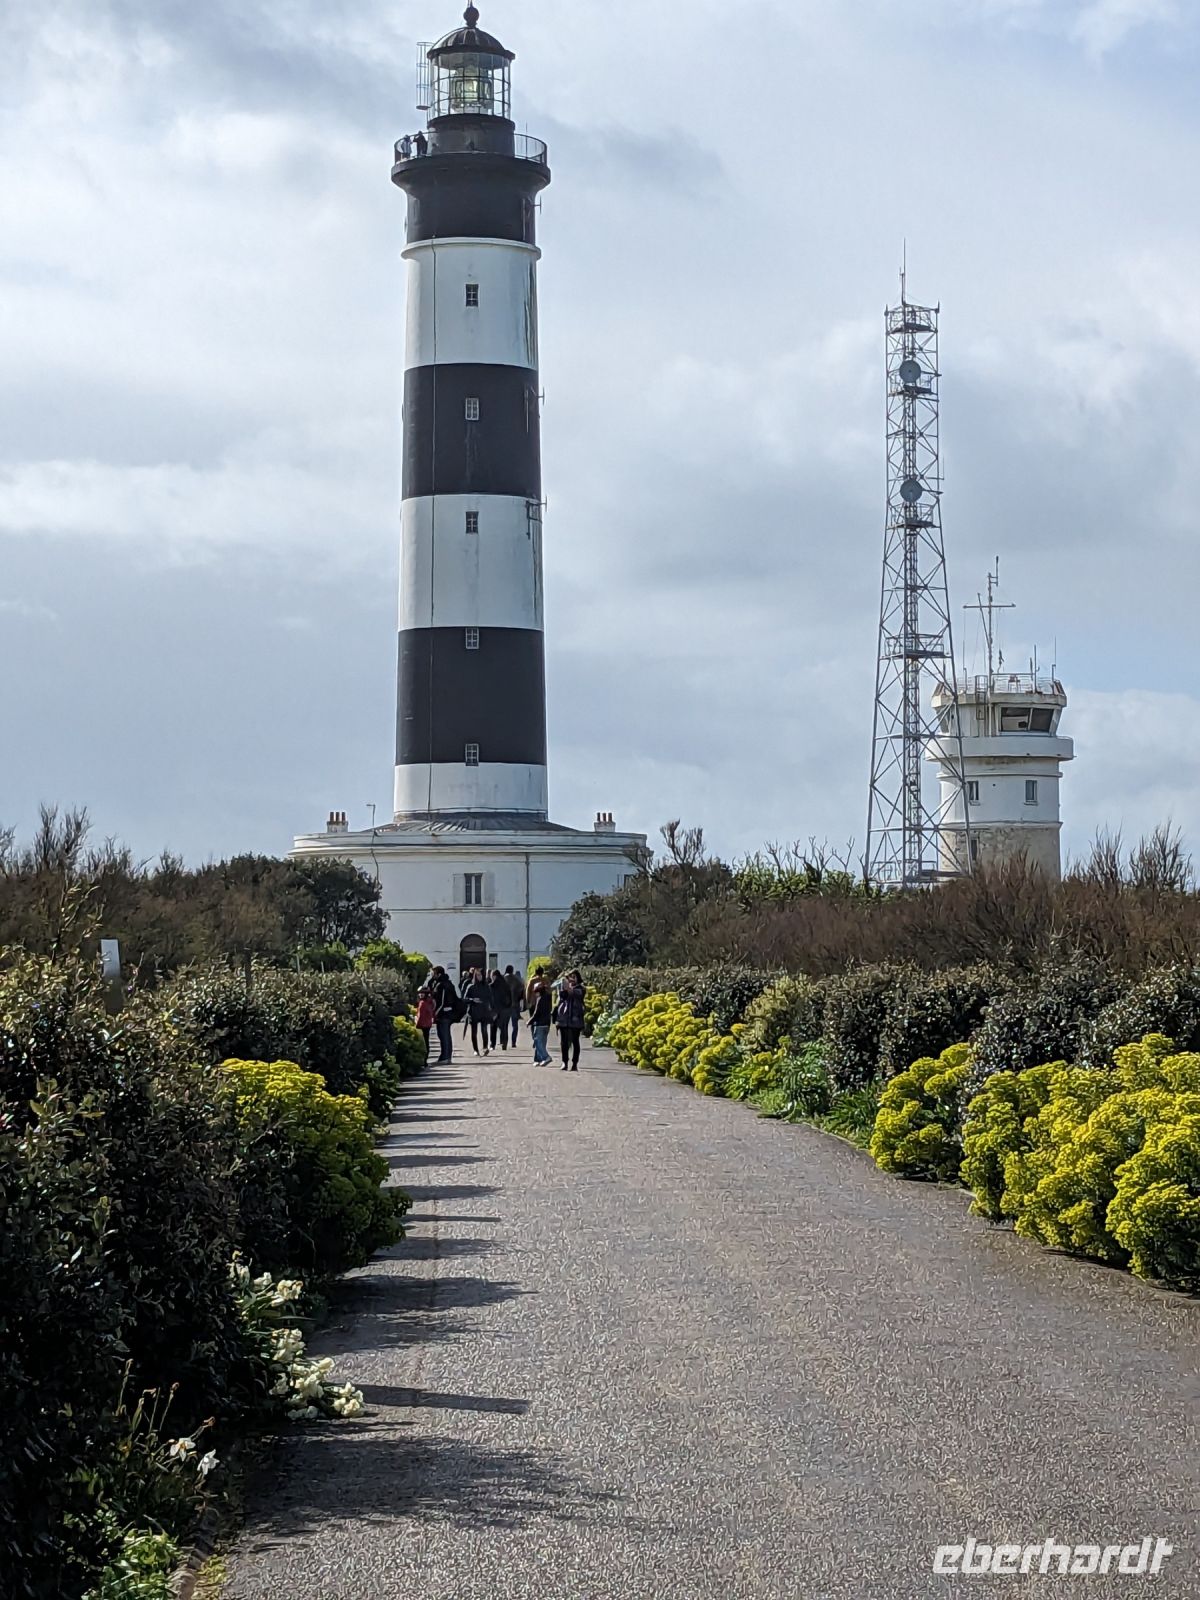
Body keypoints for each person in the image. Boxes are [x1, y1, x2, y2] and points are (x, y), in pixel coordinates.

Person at [556, 970, 586, 1071]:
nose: (572, 979)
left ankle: (574, 1063)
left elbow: (574, 993)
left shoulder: (581, 989)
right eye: (570, 977)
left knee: (575, 1042)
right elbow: (561, 997)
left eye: (574, 977)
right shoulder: (565, 988)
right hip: (564, 1018)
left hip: (575, 1019)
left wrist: (568, 987)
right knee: (564, 1042)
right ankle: (564, 1062)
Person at [428, 966, 457, 1063]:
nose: (432, 975)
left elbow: (442, 1001)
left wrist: (436, 1012)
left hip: (444, 1013)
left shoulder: (443, 985)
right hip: (445, 1013)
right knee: (443, 1034)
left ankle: (446, 1057)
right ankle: (444, 1056)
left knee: (444, 1035)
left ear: (438, 974)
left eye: (433, 973)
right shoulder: (443, 983)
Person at [462, 967, 493, 1056]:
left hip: (484, 1011)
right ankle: (475, 1049)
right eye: (478, 975)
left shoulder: (486, 986)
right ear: (475, 976)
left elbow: (490, 998)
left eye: (481, 975)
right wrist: (472, 1000)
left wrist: (492, 1009)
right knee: (474, 1031)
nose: (480, 977)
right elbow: (465, 999)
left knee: (484, 1030)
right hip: (474, 1011)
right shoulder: (471, 987)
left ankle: (485, 1047)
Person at [529, 976, 553, 1065]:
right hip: (547, 1023)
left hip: (540, 1023)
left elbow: (536, 1013)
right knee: (542, 1042)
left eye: (536, 992)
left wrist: (529, 1021)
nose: (535, 994)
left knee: (537, 1041)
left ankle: (546, 1057)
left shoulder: (540, 1000)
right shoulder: (548, 998)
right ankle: (538, 1059)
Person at [488, 968, 512, 1052]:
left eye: (491, 976)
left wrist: (490, 1009)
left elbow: (490, 998)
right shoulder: (506, 985)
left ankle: (492, 1044)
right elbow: (510, 997)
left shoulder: (491, 986)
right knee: (504, 1027)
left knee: (493, 1027)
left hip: (495, 1009)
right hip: (505, 1009)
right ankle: (504, 1043)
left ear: (494, 976)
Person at [504, 964, 525, 1047]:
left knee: (505, 1025)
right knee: (514, 1025)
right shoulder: (517, 980)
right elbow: (521, 990)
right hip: (514, 1005)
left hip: (505, 1005)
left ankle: (504, 1042)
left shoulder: (503, 979)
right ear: (512, 970)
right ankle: (513, 1042)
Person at [414, 986, 435, 1058]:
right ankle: (425, 1058)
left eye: (422, 993)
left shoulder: (422, 1003)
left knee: (423, 1043)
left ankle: (423, 1058)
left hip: (421, 1025)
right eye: (420, 993)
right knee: (427, 1042)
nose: (420, 995)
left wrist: (416, 1025)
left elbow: (420, 1016)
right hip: (428, 1025)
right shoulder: (430, 1002)